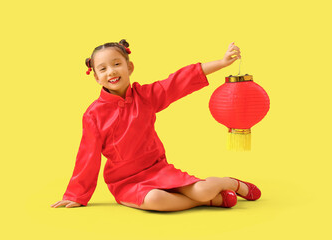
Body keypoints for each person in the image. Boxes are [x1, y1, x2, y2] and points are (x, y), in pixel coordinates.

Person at [50, 39, 261, 212]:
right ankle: (210, 202)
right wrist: (76, 195)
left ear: (129, 67)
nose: (111, 72)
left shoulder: (146, 96)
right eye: (103, 69)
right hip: (125, 182)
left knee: (204, 189)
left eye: (116, 64)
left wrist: (222, 63)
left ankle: (231, 184)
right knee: (156, 201)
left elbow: (180, 80)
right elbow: (87, 156)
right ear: (96, 77)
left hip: (158, 169)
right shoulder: (93, 114)